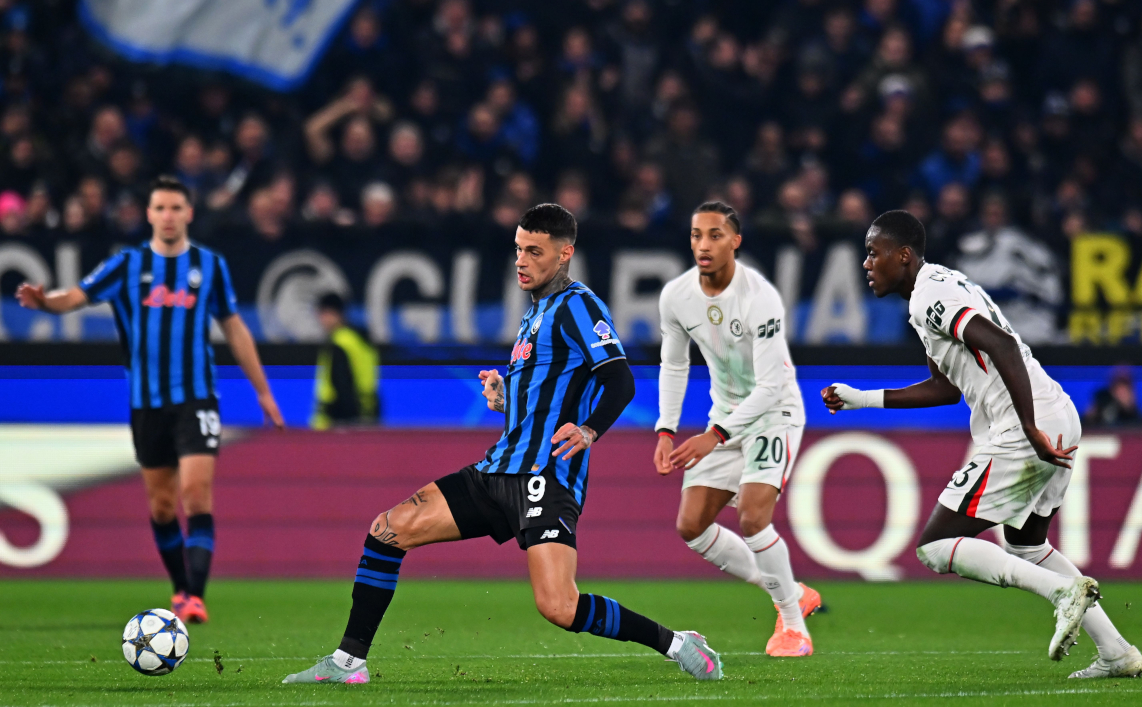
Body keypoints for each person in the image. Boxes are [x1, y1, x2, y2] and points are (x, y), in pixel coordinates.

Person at [283, 204, 724, 686]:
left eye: (534, 251)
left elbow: (620, 380)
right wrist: (505, 396)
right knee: (388, 529)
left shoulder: (579, 305)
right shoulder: (534, 314)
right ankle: (349, 663)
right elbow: (542, 394)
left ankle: (678, 643)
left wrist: (589, 430)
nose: (521, 260)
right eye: (518, 249)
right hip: (496, 472)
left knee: (559, 606)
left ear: (564, 254)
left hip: (545, 477)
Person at [820, 210, 1142, 679]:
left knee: (935, 546)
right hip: (1057, 413)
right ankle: (1116, 652)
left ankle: (1060, 594)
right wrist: (862, 399)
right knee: (1027, 545)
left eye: (874, 252)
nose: (866, 262)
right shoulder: (935, 291)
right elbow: (946, 387)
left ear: (903, 255)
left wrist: (1028, 426)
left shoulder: (931, 297)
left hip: (1026, 423)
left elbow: (1003, 346)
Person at [15, 176, 284, 623]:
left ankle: (195, 596)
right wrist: (46, 304)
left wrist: (263, 391)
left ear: (189, 213)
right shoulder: (126, 265)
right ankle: (180, 587)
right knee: (161, 505)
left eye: (176, 207)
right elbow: (76, 297)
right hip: (147, 403)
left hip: (197, 398)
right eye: (160, 208)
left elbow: (234, 327)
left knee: (197, 495)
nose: (168, 216)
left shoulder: (209, 267)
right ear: (149, 214)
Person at [654, 201, 820, 657]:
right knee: (691, 525)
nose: (703, 245)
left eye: (714, 235)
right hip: (725, 418)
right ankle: (793, 592)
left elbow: (769, 386)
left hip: (773, 412)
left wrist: (716, 435)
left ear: (735, 241)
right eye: (695, 235)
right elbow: (673, 363)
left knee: (752, 515)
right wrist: (666, 430)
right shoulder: (677, 296)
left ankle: (793, 628)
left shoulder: (759, 297)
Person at [311, 292, 381, 429]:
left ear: (334, 314)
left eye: (323, 313)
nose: (320, 319)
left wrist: (348, 420)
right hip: (367, 415)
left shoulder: (339, 343)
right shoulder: (361, 342)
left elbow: (342, 385)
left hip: (338, 421)